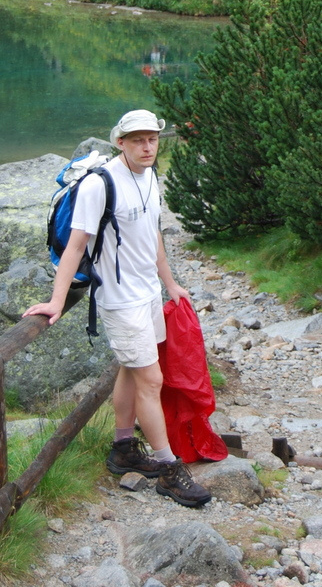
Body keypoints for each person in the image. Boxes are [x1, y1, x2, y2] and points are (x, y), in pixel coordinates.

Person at [23, 110, 211, 508]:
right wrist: (57, 300)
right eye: (138, 140)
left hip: (146, 296)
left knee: (130, 368)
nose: (147, 147)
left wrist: (170, 284)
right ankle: (168, 470)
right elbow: (76, 246)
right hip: (120, 300)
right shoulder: (100, 185)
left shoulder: (150, 176)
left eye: (153, 139)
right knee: (151, 380)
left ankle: (123, 447)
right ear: (120, 142)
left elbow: (152, 233)